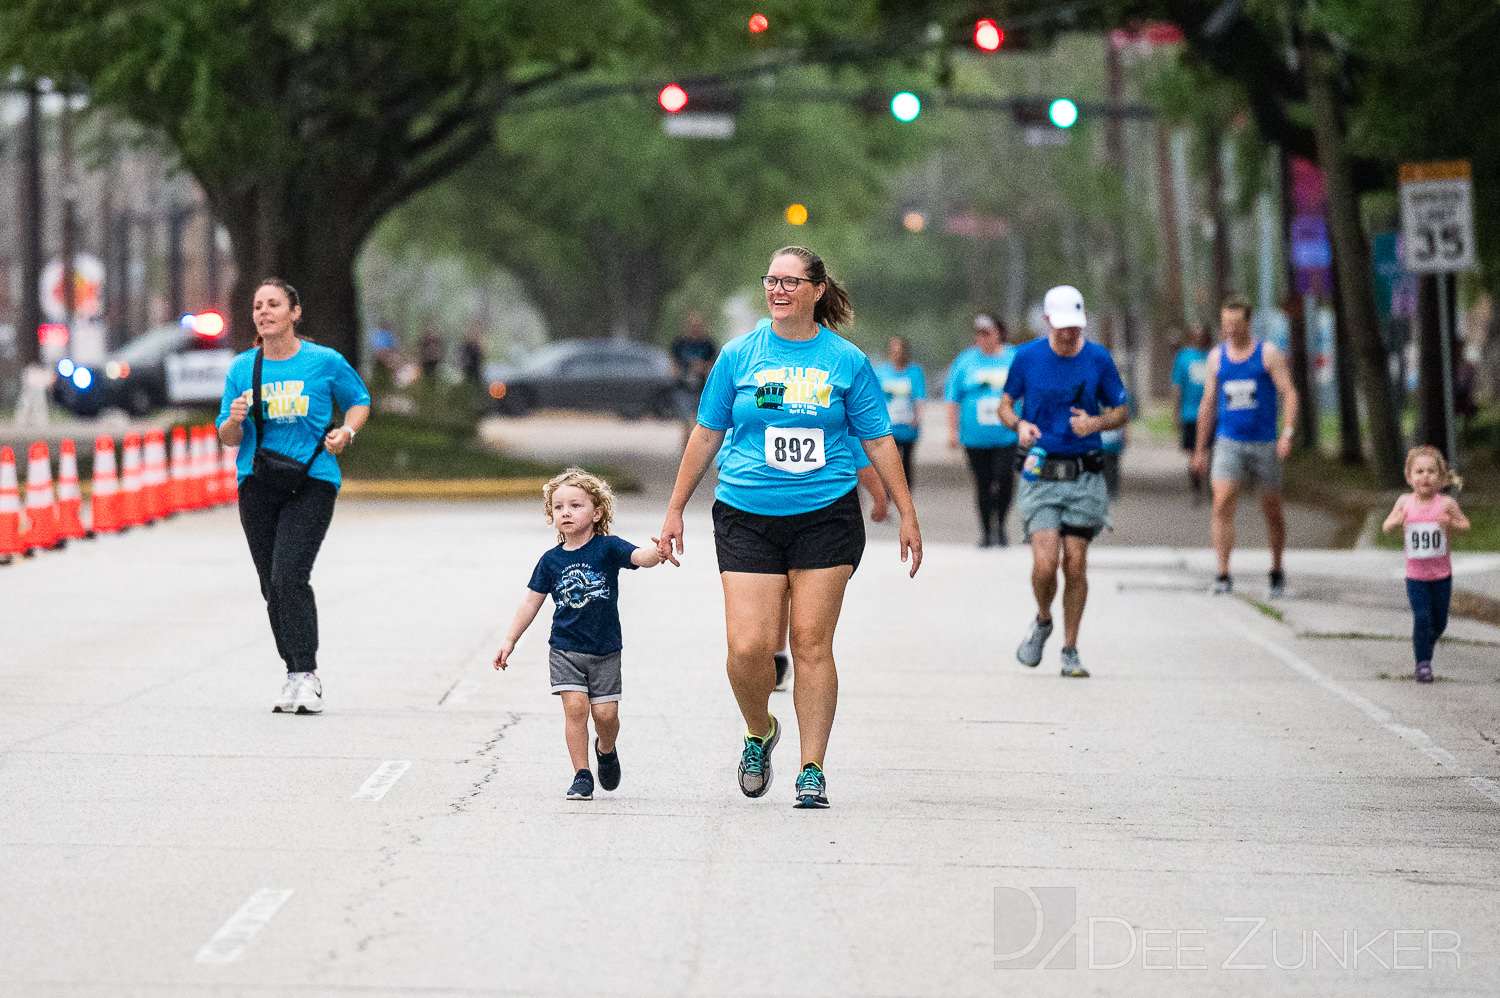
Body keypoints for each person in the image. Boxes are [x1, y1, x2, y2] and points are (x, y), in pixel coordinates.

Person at [657, 245, 921, 809]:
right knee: (748, 645)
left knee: (809, 642)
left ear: (816, 290)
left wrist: (906, 511)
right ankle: (759, 731)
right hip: (746, 511)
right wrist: (676, 506)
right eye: (771, 281)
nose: (778, 290)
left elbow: (876, 439)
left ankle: (812, 769)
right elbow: (706, 433)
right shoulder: (737, 355)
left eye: (790, 282)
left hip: (824, 514)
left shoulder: (845, 361)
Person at [216, 278, 371, 714]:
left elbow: (359, 399)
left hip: (313, 480)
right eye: (258, 306)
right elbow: (228, 437)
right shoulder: (242, 368)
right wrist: (234, 418)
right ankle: (291, 673)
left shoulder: (324, 362)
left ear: (294, 312)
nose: (264, 312)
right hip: (257, 481)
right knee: (271, 586)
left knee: (289, 575)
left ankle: (307, 674)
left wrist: (347, 431)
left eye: (274, 304)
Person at [494, 469, 665, 800]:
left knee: (606, 715)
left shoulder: (608, 547)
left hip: (605, 650)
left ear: (597, 512)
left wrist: (655, 554)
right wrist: (510, 640)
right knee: (575, 710)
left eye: (575, 505)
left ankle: (606, 748)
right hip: (565, 649)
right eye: (558, 508)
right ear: (551, 516)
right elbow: (531, 602)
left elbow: (639, 557)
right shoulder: (551, 561)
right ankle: (582, 775)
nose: (566, 512)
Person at [999, 285, 1128, 679]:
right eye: (1064, 326)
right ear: (1050, 321)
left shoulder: (1098, 359)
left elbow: (1122, 409)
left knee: (1075, 565)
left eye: (1076, 326)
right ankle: (1042, 619)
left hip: (1083, 474)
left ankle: (1070, 648)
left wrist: (1096, 422)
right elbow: (1006, 404)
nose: (1071, 333)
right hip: (1040, 472)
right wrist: (1019, 424)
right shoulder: (1027, 357)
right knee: (1044, 564)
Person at [1191, 297, 1300, 598]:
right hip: (1229, 441)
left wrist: (1287, 433)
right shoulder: (1216, 358)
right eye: (1226, 324)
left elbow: (1289, 393)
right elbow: (1208, 404)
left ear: (1248, 323)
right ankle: (1223, 573)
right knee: (1222, 502)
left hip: (1264, 442)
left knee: (1271, 509)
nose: (1230, 329)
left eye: (1236, 324)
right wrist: (1200, 449)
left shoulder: (1267, 354)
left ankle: (1277, 569)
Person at [773, 451, 890, 692]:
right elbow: (724, 448)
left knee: (796, 593)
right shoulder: (752, 414)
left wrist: (880, 496)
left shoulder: (827, 413)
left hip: (820, 513)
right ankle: (776, 651)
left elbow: (857, 449)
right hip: (761, 510)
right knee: (779, 587)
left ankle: (781, 655)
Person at [1381, 447, 1470, 684]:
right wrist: (1397, 521)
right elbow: (1386, 526)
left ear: (1441, 478)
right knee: (1422, 617)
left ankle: (1425, 641)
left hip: (1442, 575)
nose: (1425, 476)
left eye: (1431, 471)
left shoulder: (1446, 504)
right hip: (1416, 576)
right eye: (1419, 471)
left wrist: (1450, 521)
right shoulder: (1404, 502)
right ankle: (1422, 665)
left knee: (1439, 622)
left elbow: (1465, 525)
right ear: (1409, 477)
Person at [945, 315, 1019, 546]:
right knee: (983, 483)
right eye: (979, 333)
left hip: (1008, 434)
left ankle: (1002, 525)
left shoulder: (1013, 357)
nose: (982, 338)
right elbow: (952, 398)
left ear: (998, 333)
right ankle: (987, 531)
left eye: (987, 333)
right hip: (975, 437)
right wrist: (952, 432)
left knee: (1005, 479)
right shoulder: (965, 361)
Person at [873, 337, 926, 488]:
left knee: (906, 461)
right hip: (888, 426)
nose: (897, 355)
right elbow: (875, 398)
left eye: (900, 351)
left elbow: (919, 397)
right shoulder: (882, 372)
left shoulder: (914, 372)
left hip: (908, 425)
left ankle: (906, 491)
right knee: (889, 461)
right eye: (894, 351)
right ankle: (888, 493)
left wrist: (917, 417)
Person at [1170, 324, 1211, 503]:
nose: (1198, 336)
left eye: (1201, 333)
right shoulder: (1184, 357)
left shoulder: (1214, 355)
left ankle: (1211, 487)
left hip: (1212, 413)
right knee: (1193, 453)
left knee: (1210, 451)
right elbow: (1176, 386)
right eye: (1195, 333)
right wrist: (1175, 412)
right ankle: (1196, 488)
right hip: (1190, 413)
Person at [670, 311, 718, 449]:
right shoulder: (679, 344)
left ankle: (695, 452)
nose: (694, 327)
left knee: (698, 424)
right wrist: (678, 372)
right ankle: (686, 454)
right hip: (683, 388)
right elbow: (673, 364)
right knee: (686, 424)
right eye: (692, 325)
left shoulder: (708, 345)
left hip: (701, 389)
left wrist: (702, 366)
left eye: (697, 325)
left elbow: (713, 365)